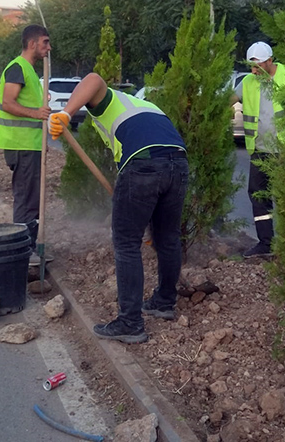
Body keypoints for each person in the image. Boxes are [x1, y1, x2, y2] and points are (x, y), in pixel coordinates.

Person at [49, 73, 189, 344]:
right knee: (168, 237)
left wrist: (66, 113)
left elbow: (92, 78)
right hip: (178, 162)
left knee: (126, 242)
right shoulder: (145, 107)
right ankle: (163, 302)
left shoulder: (109, 100)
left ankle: (130, 322)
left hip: (142, 163)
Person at [0, 25, 52, 266]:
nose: (48, 48)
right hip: (21, 145)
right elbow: (7, 103)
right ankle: (24, 253)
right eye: (45, 42)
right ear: (33, 43)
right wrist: (37, 113)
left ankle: (31, 247)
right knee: (26, 200)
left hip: (32, 145)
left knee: (33, 198)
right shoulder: (18, 67)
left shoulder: (29, 71)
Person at [231, 41, 285, 258]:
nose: (254, 71)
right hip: (260, 149)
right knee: (258, 196)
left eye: (258, 66)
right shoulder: (248, 82)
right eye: (251, 67)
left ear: (270, 61)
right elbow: (232, 98)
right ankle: (266, 243)